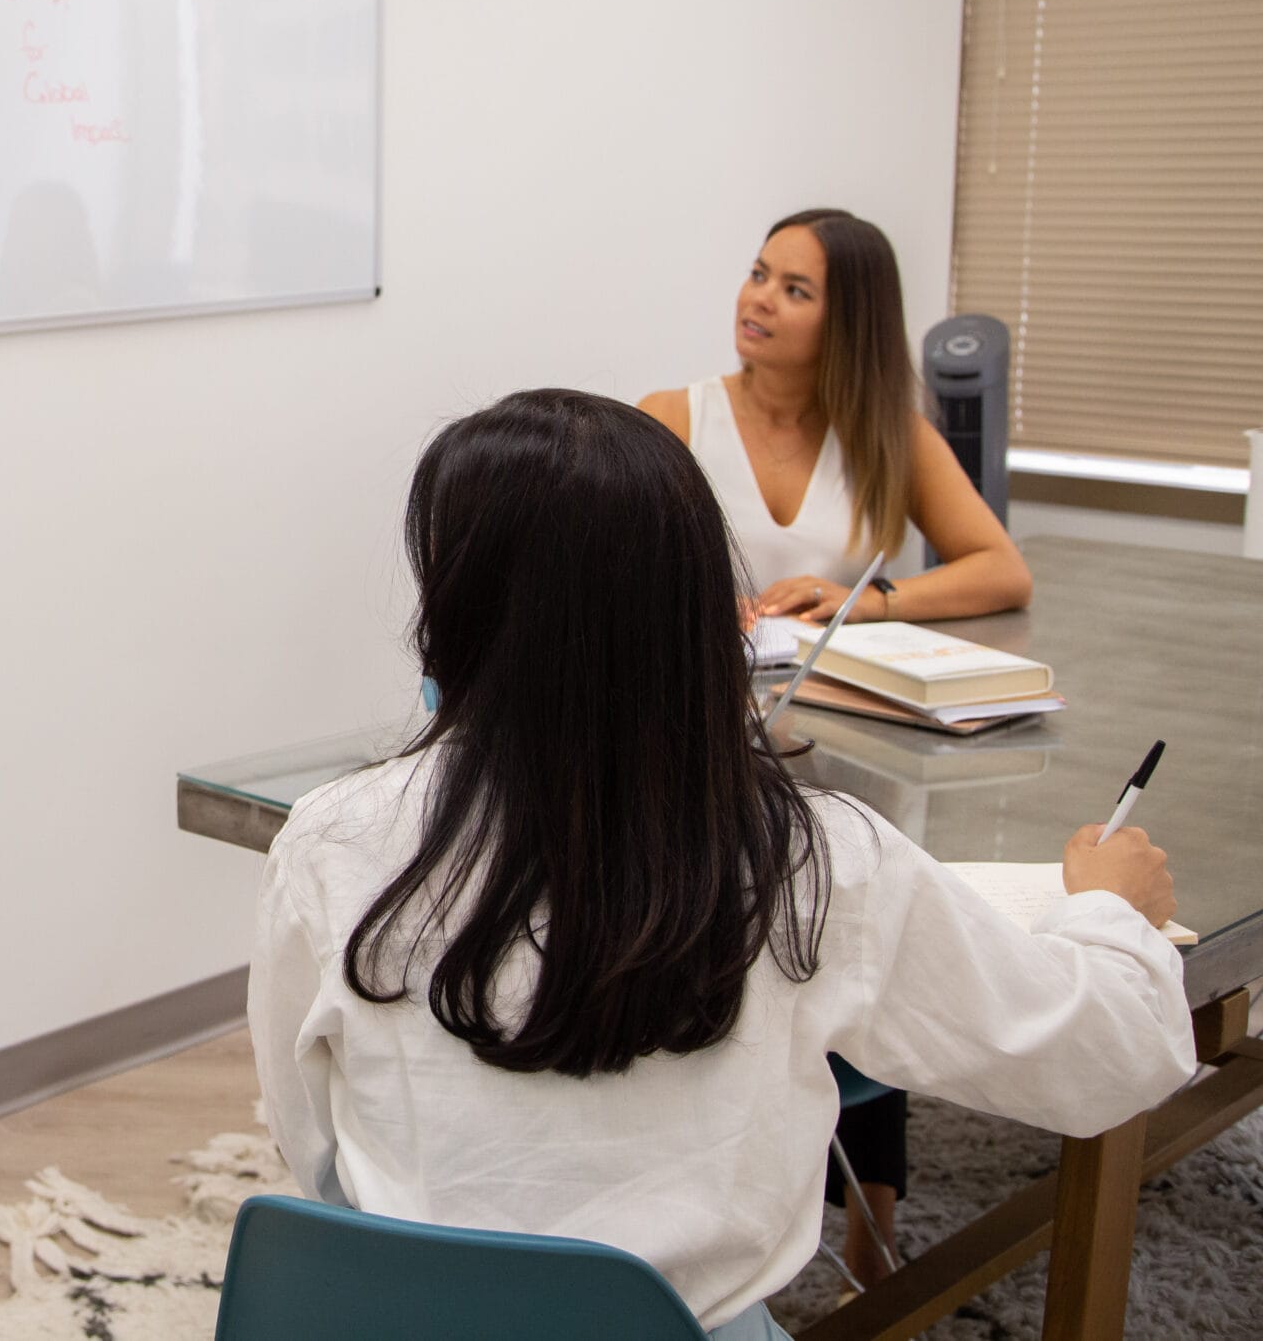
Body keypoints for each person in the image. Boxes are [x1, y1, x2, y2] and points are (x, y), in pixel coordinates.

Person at [250, 390, 1192, 1339]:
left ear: (456, 604)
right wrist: (1109, 910)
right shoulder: (811, 860)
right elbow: (1107, 1057)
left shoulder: (332, 839)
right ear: (697, 607)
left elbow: (313, 1139)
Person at [637, 207, 1033, 1279]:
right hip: (695, 762)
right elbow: (614, 575)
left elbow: (998, 571)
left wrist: (869, 602)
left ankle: (872, 1230)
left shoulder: (889, 435)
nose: (755, 300)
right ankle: (705, 1210)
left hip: (845, 766)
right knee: (725, 984)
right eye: (757, 274)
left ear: (847, 317)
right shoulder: (670, 419)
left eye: (793, 289)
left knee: (858, 967)